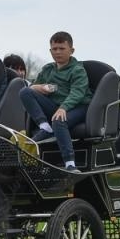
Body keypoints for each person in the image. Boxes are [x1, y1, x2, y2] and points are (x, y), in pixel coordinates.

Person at [18, 30, 91, 170]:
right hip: (55, 106)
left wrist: (63, 107)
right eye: (54, 49)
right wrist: (38, 87)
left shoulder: (77, 70)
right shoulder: (48, 69)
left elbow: (78, 92)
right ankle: (44, 125)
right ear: (50, 50)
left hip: (79, 107)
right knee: (25, 91)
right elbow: (33, 87)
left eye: (62, 48)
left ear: (72, 50)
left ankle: (70, 164)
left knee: (58, 120)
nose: (58, 52)